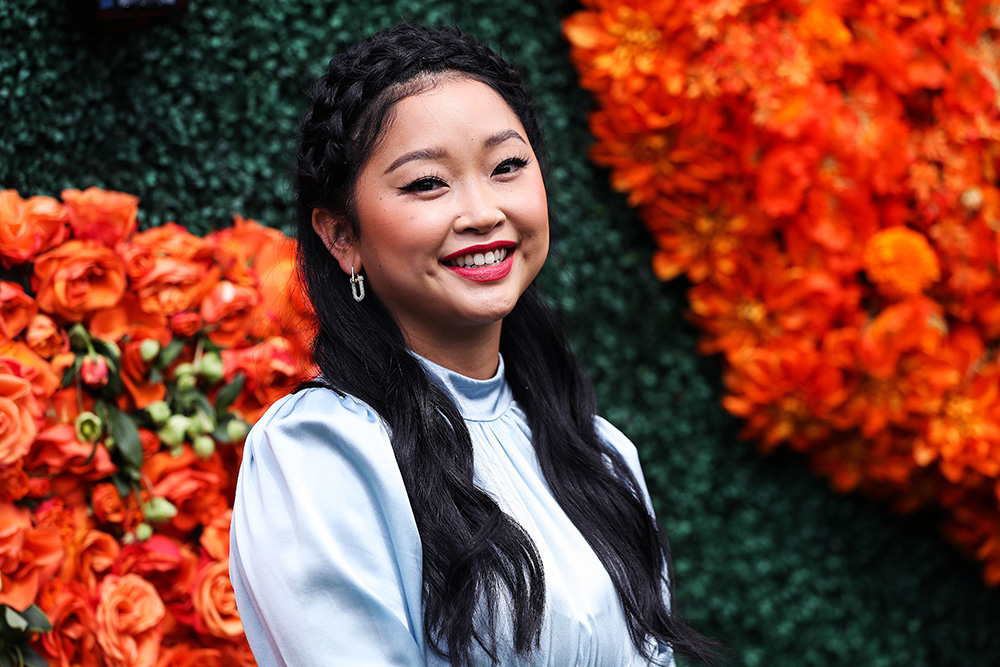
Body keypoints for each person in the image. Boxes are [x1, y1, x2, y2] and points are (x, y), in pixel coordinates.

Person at [229, 23, 719, 667]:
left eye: (507, 167)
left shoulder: (600, 453)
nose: (484, 210)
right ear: (341, 234)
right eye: (428, 182)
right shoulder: (324, 450)